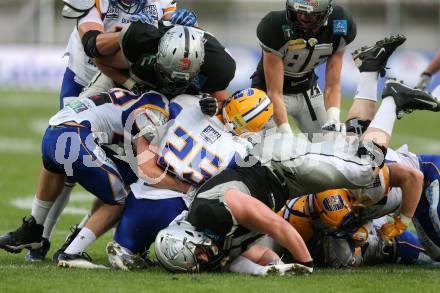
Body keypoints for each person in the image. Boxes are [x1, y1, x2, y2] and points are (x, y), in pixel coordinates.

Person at [152, 37, 440, 274]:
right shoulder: (209, 234)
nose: (202, 260)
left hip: (280, 166)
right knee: (351, 147)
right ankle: (370, 70)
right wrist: (273, 269)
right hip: (283, 181)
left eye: (196, 256)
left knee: (365, 168)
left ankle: (392, 98)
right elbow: (241, 259)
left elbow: (276, 225)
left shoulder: (210, 214)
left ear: (191, 238)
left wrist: (306, 265)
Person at [26, 0, 195, 263]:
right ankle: (40, 235)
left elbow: (171, 36)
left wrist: (174, 27)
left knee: (122, 173)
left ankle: (74, 237)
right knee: (68, 162)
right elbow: (94, 46)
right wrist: (136, 35)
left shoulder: (160, 3)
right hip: (90, 75)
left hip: (133, 77)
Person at [106, 88, 274, 271]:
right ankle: (262, 268)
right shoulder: (239, 152)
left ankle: (124, 248)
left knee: (125, 247)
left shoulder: (185, 105)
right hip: (180, 212)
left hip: (139, 200)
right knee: (222, 253)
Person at [0, 88, 169, 269]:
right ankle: (71, 253)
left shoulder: (122, 95)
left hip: (52, 134)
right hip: (74, 139)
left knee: (119, 180)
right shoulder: (154, 106)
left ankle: (34, 230)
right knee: (118, 198)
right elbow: (144, 156)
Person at [251, 0, 356, 135]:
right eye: (298, 11)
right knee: (276, 151)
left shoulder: (340, 23)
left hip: (307, 90)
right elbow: (274, 92)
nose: (302, 17)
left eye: (310, 14)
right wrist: (285, 132)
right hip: (268, 94)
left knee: (332, 142)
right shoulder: (274, 25)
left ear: (326, 13)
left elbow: (333, 84)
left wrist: (333, 117)